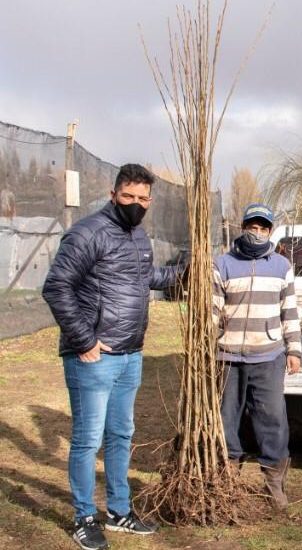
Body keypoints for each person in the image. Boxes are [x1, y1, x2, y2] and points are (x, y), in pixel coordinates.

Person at [43, 163, 181, 550]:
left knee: (121, 434)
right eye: (129, 197)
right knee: (88, 439)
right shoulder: (87, 233)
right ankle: (83, 516)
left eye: (143, 199)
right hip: (94, 357)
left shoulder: (138, 235)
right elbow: (56, 287)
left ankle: (119, 511)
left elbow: (143, 276)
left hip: (130, 354)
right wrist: (84, 340)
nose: (136, 205)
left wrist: (181, 273)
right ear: (113, 193)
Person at [213, 202, 302, 510]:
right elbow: (211, 311)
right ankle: (228, 482)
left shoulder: (281, 266)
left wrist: (295, 349)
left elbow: (289, 311)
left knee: (273, 420)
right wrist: (207, 346)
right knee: (227, 420)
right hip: (228, 357)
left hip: (269, 357)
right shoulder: (223, 263)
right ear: (243, 227)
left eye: (264, 227)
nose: (258, 232)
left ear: (270, 232)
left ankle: (274, 484)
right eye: (253, 226)